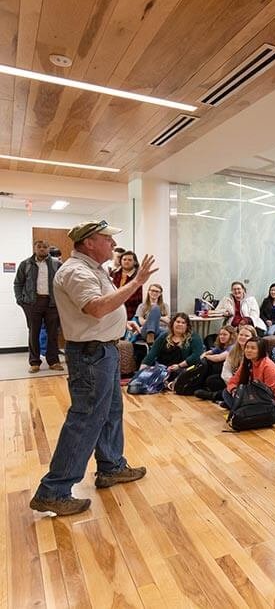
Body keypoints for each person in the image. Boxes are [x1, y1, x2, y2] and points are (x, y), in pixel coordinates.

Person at [30, 220, 157, 516]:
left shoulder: (94, 269)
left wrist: (119, 321)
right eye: (106, 239)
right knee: (86, 419)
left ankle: (111, 466)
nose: (112, 245)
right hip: (91, 355)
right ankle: (54, 490)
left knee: (111, 411)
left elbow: (103, 309)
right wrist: (136, 282)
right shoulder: (75, 271)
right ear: (88, 242)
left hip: (103, 351)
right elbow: (97, 307)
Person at [14, 239, 63, 373]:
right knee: (34, 333)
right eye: (39, 246)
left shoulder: (56, 264)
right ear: (34, 248)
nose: (42, 249)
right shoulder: (25, 264)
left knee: (53, 333)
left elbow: (63, 284)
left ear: (49, 249)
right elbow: (18, 284)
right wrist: (20, 300)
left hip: (51, 303)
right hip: (32, 303)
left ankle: (53, 361)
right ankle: (34, 362)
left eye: (45, 247)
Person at [222, 337, 275, 410]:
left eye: (253, 348)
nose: (248, 350)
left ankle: (239, 408)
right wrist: (234, 391)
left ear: (260, 351)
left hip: (270, 401)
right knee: (226, 392)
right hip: (252, 395)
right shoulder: (246, 363)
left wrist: (248, 397)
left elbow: (268, 393)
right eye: (247, 347)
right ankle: (241, 408)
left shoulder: (268, 366)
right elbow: (233, 381)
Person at [139, 312, 204, 384]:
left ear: (187, 326)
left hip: (182, 369)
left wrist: (179, 366)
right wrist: (140, 371)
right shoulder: (164, 336)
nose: (180, 324)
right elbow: (152, 353)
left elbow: (196, 355)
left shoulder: (194, 337)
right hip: (163, 369)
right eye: (178, 322)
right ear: (173, 323)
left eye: (183, 323)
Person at [193, 325, 237, 400]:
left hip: (228, 374)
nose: (222, 337)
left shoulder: (232, 347)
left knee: (211, 365)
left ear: (231, 336)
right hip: (221, 373)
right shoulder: (222, 345)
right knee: (206, 363)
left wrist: (206, 357)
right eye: (220, 334)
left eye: (225, 335)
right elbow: (209, 352)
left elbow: (219, 358)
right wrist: (204, 355)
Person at [109, 250, 143, 319]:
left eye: (130, 260)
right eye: (124, 259)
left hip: (130, 312)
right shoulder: (113, 273)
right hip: (111, 310)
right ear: (121, 261)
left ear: (135, 262)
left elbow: (138, 298)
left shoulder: (138, 276)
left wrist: (119, 298)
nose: (126, 261)